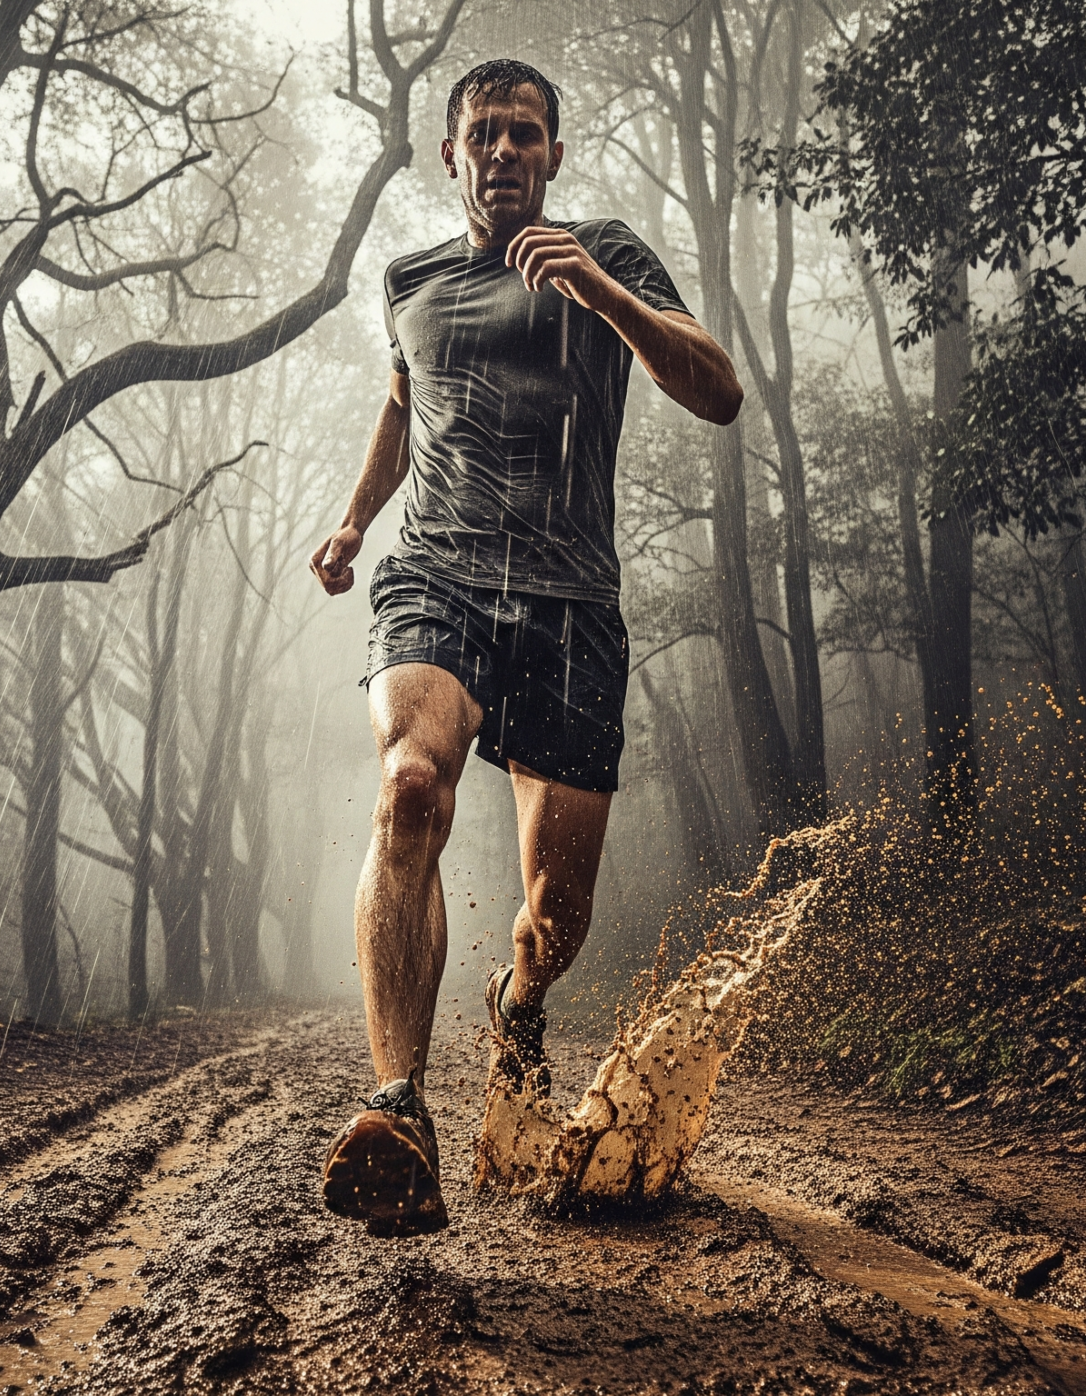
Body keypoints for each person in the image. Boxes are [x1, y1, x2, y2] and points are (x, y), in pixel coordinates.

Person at [306, 58, 743, 1237]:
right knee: (408, 788)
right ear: (451, 157)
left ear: (551, 154)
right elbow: (405, 404)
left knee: (556, 915)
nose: (502, 150)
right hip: (436, 578)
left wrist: (601, 291)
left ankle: (517, 1002)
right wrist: (356, 515)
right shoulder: (409, 277)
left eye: (524, 134)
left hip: (569, 608)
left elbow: (719, 392)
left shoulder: (609, 253)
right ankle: (398, 1105)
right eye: (482, 134)